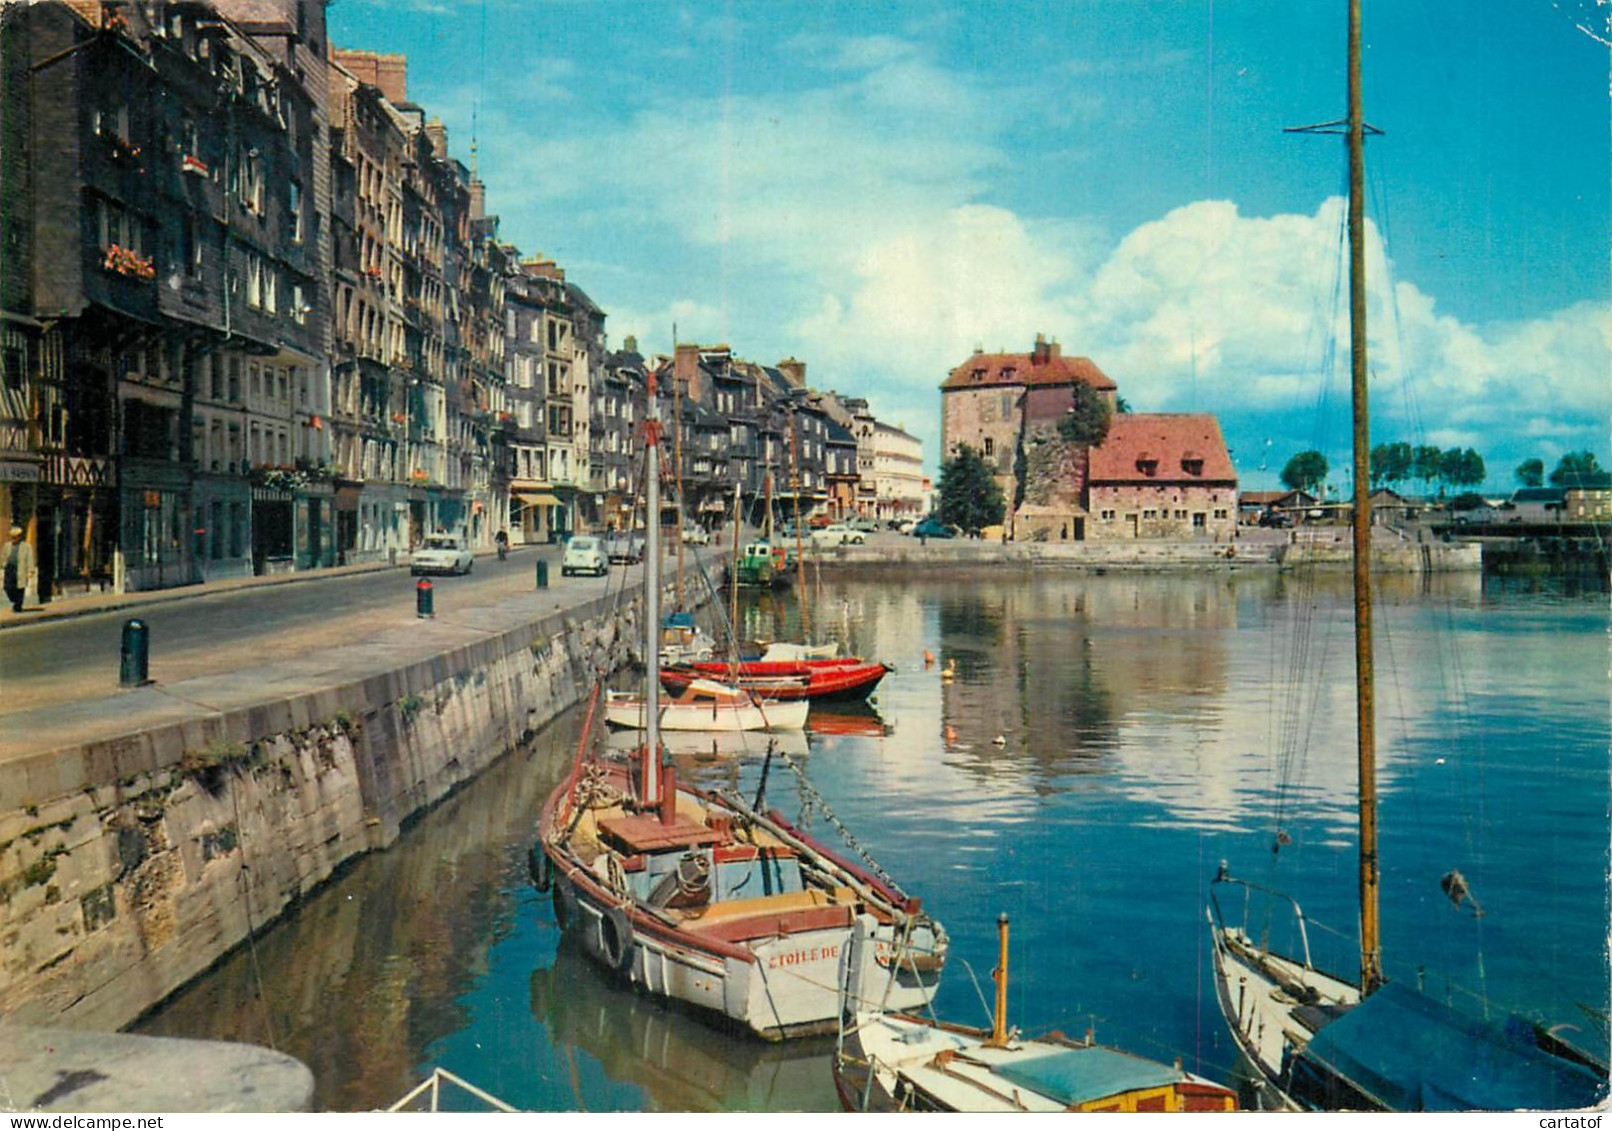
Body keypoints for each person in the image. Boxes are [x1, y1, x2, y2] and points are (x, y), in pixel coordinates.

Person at [4, 523, 35, 614]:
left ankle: (18, 606)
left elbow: (30, 559)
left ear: (19, 537)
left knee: (20, 589)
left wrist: (31, 570)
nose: (13, 539)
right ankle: (14, 600)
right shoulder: (7, 546)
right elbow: (3, 557)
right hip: (10, 570)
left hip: (20, 570)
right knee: (8, 587)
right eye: (12, 537)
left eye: (15, 537)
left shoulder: (26, 547)